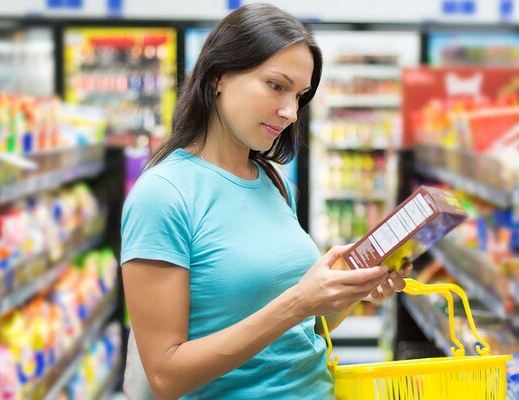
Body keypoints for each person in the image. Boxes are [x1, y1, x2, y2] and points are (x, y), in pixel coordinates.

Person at [120, 4, 410, 399]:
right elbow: (167, 375)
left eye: (300, 95)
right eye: (276, 86)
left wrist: (350, 290)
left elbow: (296, 330)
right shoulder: (164, 195)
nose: (291, 112)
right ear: (219, 76)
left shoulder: (274, 183)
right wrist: (297, 302)